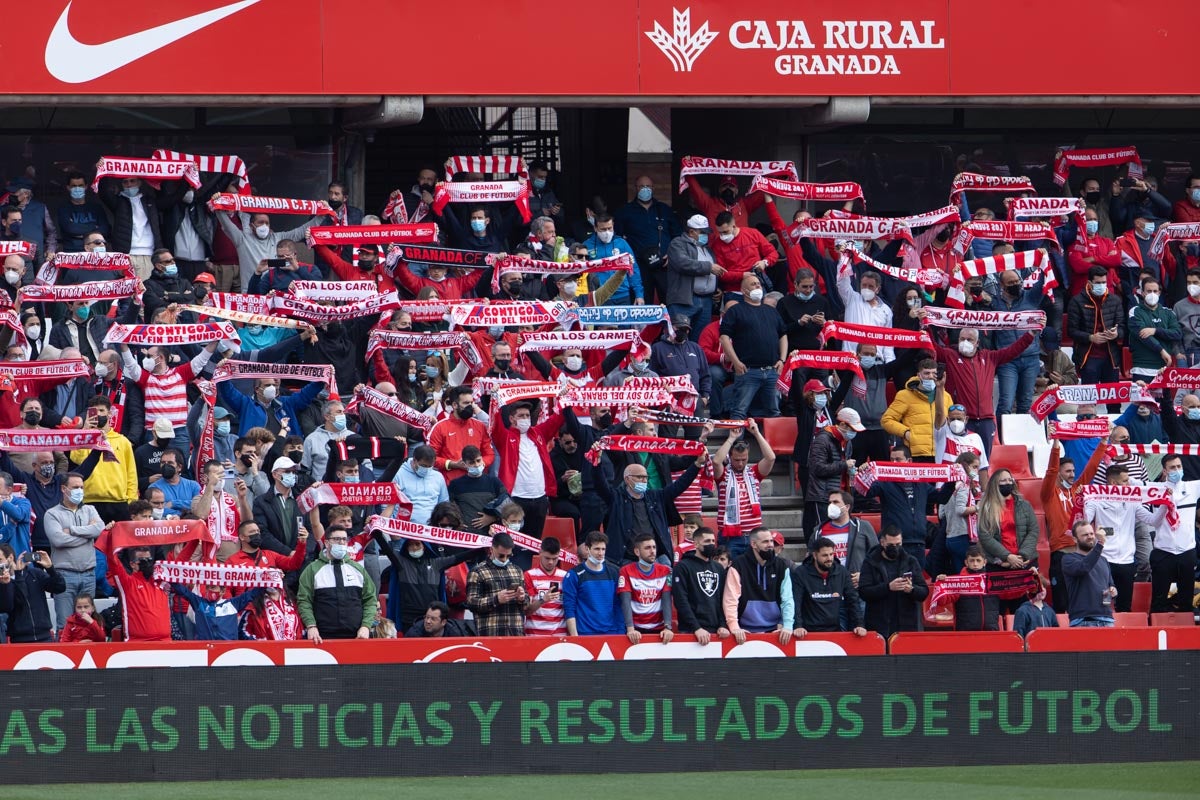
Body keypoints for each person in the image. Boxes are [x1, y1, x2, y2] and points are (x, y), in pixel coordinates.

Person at [594, 430, 707, 565]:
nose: (643, 481)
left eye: (645, 478)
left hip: (656, 556)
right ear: (627, 479)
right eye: (639, 477)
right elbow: (600, 485)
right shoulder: (615, 497)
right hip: (625, 558)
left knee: (667, 566)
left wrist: (697, 465)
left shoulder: (655, 496)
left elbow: (680, 485)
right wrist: (597, 463)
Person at [931, 321, 1037, 454]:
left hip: (986, 421)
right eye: (962, 339)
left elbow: (1013, 350)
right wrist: (924, 327)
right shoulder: (950, 355)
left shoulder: (989, 357)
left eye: (969, 339)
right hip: (962, 419)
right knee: (961, 461)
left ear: (977, 343)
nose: (965, 342)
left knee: (984, 462)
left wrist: (1031, 334)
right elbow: (931, 347)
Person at [1041, 443, 1107, 613]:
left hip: (1082, 554)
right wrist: (1056, 445)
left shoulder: (1078, 489)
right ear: (1058, 474)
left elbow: (1091, 467)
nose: (1072, 474)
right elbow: (1050, 471)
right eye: (1068, 471)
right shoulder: (1049, 493)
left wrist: (1104, 443)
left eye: (1073, 471)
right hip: (1061, 554)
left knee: (1081, 600)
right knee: (1062, 603)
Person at [1083, 464, 1152, 612]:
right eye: (1125, 481)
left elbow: (1152, 520)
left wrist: (1166, 504)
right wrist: (1083, 500)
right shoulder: (1096, 500)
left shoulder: (1132, 501)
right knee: (1103, 604)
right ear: (1113, 483)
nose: (1129, 484)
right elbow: (1085, 520)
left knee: (1125, 607)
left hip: (1127, 561)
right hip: (1104, 560)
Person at [491, 401, 564, 542]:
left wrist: (564, 399)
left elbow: (557, 419)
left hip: (540, 498)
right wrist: (495, 402)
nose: (525, 419)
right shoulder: (505, 437)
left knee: (535, 542)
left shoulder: (538, 433)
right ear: (512, 419)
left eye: (527, 415)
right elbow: (495, 425)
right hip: (516, 499)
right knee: (513, 542)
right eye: (521, 416)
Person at [718, 273, 787, 419]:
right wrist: (735, 362)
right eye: (753, 284)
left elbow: (783, 335)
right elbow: (724, 337)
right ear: (744, 290)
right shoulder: (736, 311)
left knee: (774, 411)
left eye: (758, 284)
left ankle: (772, 442)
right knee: (739, 411)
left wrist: (782, 359)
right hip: (748, 371)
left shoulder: (771, 311)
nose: (757, 286)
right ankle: (737, 442)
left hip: (771, 370)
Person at [43, 472, 106, 629]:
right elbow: (58, 540)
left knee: (87, 624)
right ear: (64, 489)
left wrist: (71, 530)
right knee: (65, 625)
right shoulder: (52, 514)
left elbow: (99, 528)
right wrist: (87, 536)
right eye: (75, 487)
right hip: (64, 576)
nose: (80, 490)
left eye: (81, 487)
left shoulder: (90, 509)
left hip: (89, 574)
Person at [297, 528, 377, 643]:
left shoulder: (358, 569)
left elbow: (370, 600)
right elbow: (304, 600)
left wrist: (366, 626)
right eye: (337, 539)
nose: (341, 542)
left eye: (344, 539)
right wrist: (311, 625)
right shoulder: (312, 569)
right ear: (326, 543)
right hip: (322, 638)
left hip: (357, 636)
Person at [613, 176, 684, 306]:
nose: (645, 189)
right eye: (641, 186)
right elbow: (617, 238)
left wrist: (672, 252)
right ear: (635, 188)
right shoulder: (624, 212)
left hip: (664, 264)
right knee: (643, 302)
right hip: (639, 266)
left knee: (669, 301)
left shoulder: (664, 210)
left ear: (653, 188)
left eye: (648, 186)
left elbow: (678, 235)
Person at [67, 396, 138, 524]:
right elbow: (77, 458)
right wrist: (85, 432)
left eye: (101, 411)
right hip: (90, 501)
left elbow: (131, 474)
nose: (98, 414)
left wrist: (131, 501)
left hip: (118, 502)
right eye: (94, 412)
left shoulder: (123, 441)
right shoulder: (85, 438)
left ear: (110, 413)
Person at [865, 443, 932, 570]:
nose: (894, 463)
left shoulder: (921, 483)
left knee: (916, 586)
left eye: (898, 459)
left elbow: (941, 498)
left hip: (918, 544)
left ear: (909, 461)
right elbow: (866, 492)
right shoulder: (884, 482)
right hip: (894, 544)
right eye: (891, 460)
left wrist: (952, 480)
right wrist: (865, 475)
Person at [722, 527, 794, 644]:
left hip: (776, 629)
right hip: (744, 629)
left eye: (771, 541)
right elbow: (730, 599)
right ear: (753, 544)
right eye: (765, 542)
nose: (770, 545)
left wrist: (787, 625)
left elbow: (787, 599)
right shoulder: (738, 565)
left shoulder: (782, 566)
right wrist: (734, 627)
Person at [804, 407, 864, 540]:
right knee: (823, 536)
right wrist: (844, 465)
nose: (853, 433)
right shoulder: (822, 440)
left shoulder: (847, 442)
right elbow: (817, 468)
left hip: (841, 495)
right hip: (823, 497)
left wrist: (852, 470)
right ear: (842, 424)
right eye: (852, 429)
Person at [858, 526, 929, 637]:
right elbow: (864, 592)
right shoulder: (870, 562)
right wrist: (887, 587)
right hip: (880, 625)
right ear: (882, 542)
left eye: (898, 544)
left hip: (907, 625)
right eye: (891, 545)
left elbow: (924, 592)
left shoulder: (911, 561)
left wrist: (912, 589)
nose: (895, 548)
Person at [1149, 454, 1198, 614]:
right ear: (1164, 470)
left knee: (1186, 600)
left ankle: (1186, 635)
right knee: (1159, 600)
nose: (1177, 470)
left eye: (1179, 466)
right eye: (1172, 467)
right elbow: (1129, 484)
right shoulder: (1154, 490)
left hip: (1187, 551)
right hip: (1164, 551)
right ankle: (1155, 632)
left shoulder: (1193, 487)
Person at [790, 536, 867, 637]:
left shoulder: (842, 572)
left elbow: (853, 600)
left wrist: (859, 624)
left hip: (835, 630)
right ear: (815, 555)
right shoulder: (801, 573)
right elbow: (796, 601)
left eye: (831, 554)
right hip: (807, 632)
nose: (829, 558)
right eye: (825, 555)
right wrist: (798, 626)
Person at [976, 469, 1038, 591]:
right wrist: (1007, 556)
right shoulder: (987, 507)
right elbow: (984, 535)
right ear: (995, 485)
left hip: (1024, 562)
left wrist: (1021, 557)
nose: (1008, 483)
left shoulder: (1025, 505)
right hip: (999, 565)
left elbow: (1033, 530)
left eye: (1010, 480)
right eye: (1003, 481)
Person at [882, 359, 953, 461]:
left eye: (934, 373)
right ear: (919, 375)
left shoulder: (946, 397)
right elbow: (886, 420)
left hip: (942, 452)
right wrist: (906, 433)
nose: (931, 376)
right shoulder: (905, 395)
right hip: (917, 453)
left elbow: (949, 422)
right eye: (927, 373)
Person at [665, 215, 723, 337]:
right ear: (691, 232)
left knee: (701, 339)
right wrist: (709, 267)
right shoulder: (677, 244)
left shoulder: (707, 249)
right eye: (703, 232)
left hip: (706, 301)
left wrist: (715, 288)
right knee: (677, 337)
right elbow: (683, 263)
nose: (706, 235)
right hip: (684, 300)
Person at [1067, 266, 1125, 385]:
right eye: (1098, 283)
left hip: (1111, 357)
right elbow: (1071, 331)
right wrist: (1090, 337)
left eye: (1104, 282)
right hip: (1088, 357)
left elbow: (1123, 327)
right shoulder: (1076, 301)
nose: (1102, 285)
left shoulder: (1115, 300)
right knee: (1089, 400)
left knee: (1113, 400)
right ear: (1089, 283)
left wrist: (1116, 333)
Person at [671, 527, 729, 645]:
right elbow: (680, 600)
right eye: (707, 541)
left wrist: (723, 624)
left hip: (716, 630)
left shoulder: (718, 568)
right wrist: (696, 628)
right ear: (696, 544)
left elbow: (724, 598)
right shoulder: (682, 567)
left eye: (713, 541)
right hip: (690, 631)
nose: (711, 544)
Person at [466, 531, 527, 637]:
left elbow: (526, 603)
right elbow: (471, 603)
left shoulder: (517, 570)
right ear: (491, 549)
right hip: (491, 633)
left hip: (515, 632)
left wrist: (522, 598)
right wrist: (496, 599)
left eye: (509, 556)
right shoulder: (477, 572)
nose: (505, 559)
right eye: (501, 555)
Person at [428, 386, 494, 484]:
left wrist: (479, 463)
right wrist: (453, 464)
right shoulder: (440, 427)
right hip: (451, 484)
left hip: (479, 482)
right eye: (466, 403)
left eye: (471, 403)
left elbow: (489, 454)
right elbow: (431, 457)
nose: (470, 406)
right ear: (454, 405)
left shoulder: (480, 426)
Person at [563, 531, 623, 636]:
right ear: (587, 549)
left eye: (603, 549)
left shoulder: (614, 572)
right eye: (596, 549)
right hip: (585, 634)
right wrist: (575, 637)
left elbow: (618, 605)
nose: (600, 553)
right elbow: (569, 608)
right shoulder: (574, 575)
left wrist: (621, 632)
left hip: (611, 633)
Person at [617, 533, 674, 644]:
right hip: (636, 629)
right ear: (637, 552)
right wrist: (630, 628)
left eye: (654, 547)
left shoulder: (665, 571)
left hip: (659, 629)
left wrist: (668, 627)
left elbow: (667, 599)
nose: (652, 551)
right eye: (647, 548)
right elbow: (625, 601)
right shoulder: (626, 571)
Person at [817, 490, 879, 591]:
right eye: (830, 503)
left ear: (847, 507)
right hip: (829, 589)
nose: (831, 506)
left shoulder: (863, 527)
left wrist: (864, 575)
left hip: (857, 589)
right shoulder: (818, 530)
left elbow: (876, 556)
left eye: (835, 502)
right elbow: (811, 559)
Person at [107, 544, 171, 641]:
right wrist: (110, 533)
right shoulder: (127, 583)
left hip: (165, 642)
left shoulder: (161, 581)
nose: (147, 563)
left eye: (149, 560)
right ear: (132, 564)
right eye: (142, 560)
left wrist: (195, 539)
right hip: (137, 644)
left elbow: (182, 561)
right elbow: (112, 560)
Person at [0, 546, 64, 642]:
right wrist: (12, 580)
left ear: (10, 558)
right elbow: (9, 606)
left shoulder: (35, 573)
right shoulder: (3, 583)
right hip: (19, 639)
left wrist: (50, 568)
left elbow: (60, 587)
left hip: (44, 636)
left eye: (0, 559)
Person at [1062, 521, 1117, 627]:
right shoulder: (1068, 559)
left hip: (1107, 618)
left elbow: (1111, 584)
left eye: (1092, 534)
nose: (1090, 537)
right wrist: (1100, 544)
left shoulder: (1103, 560)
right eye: (1085, 535)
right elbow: (1084, 568)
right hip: (1083, 620)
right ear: (1075, 539)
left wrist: (1113, 590)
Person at [1127, 277, 1181, 380]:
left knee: (1166, 397)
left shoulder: (1168, 312)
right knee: (1142, 397)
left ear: (1159, 293)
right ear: (1142, 293)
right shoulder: (1135, 311)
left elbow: (1177, 333)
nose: (1152, 294)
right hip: (1142, 368)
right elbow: (1142, 336)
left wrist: (1155, 330)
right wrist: (1162, 351)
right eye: (1149, 291)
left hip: (1164, 368)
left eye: (1155, 291)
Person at [170, 582, 263, 641]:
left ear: (223, 591)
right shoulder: (199, 603)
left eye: (213, 587)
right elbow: (183, 591)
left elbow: (253, 593)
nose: (209, 590)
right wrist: (167, 575)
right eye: (208, 587)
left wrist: (269, 580)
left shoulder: (233, 604)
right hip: (204, 651)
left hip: (228, 652)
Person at [943, 544, 1000, 632]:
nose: (975, 564)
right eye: (972, 561)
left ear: (984, 562)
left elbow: (1012, 593)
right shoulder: (959, 581)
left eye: (978, 560)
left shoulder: (992, 581)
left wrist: (1025, 580)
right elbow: (942, 601)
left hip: (991, 632)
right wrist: (941, 585)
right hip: (966, 633)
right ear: (966, 562)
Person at [523, 536, 569, 636]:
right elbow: (526, 611)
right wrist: (543, 600)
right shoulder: (529, 575)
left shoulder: (565, 576)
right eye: (547, 558)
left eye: (554, 558)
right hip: (534, 635)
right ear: (540, 553)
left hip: (560, 635)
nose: (550, 562)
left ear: (559, 555)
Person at [393, 446, 449, 526]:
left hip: (431, 529)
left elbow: (444, 504)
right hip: (403, 529)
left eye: (430, 466)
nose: (427, 469)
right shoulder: (398, 474)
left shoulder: (438, 477)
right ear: (414, 460)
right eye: (423, 466)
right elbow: (388, 504)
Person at [301, 400, 352, 481]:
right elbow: (305, 470)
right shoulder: (311, 439)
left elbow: (366, 465)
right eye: (339, 412)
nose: (343, 415)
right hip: (321, 490)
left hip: (348, 490)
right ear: (327, 417)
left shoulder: (352, 436)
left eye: (344, 412)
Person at [405, 600, 471, 638]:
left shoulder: (453, 633)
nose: (428, 621)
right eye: (427, 617)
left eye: (433, 619)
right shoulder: (414, 634)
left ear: (443, 622)